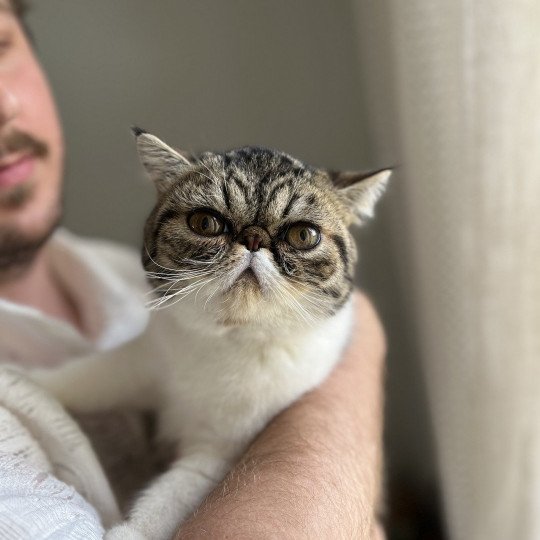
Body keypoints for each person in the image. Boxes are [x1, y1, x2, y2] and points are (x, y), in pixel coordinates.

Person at [0, 1, 386, 538]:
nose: (254, 249)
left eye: (299, 235)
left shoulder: (114, 277)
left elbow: (144, 377)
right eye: (209, 223)